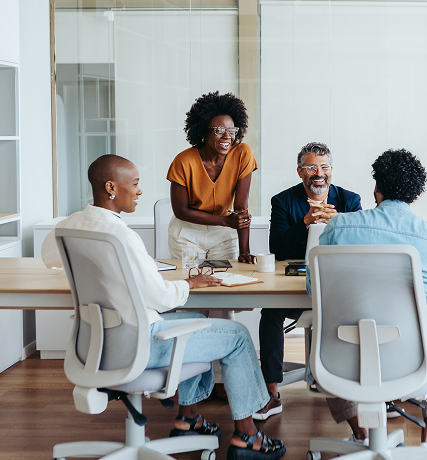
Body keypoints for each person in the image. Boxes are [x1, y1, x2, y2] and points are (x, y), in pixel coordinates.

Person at [41, 155, 285, 460]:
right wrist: (190, 285)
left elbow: (48, 255)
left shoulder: (73, 224)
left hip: (94, 344)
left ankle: (189, 418)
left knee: (196, 319)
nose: (140, 191)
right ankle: (248, 436)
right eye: (135, 184)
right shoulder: (122, 236)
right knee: (236, 336)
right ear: (111, 187)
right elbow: (160, 298)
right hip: (136, 345)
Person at [308, 149, 427, 450]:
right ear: (415, 195)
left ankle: (360, 435)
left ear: (377, 188)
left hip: (341, 360)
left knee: (320, 327)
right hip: (412, 362)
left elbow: (315, 290)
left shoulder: (338, 227)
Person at [254, 142, 362, 420]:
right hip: (296, 285)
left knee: (366, 311)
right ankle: (271, 391)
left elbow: (360, 246)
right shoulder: (283, 201)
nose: (319, 173)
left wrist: (340, 223)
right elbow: (277, 248)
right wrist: (304, 222)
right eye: (312, 167)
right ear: (300, 171)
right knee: (270, 312)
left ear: (331, 170)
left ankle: (361, 388)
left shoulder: (350, 200)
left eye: (324, 167)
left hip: (338, 288)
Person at [167, 91, 257, 265]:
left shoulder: (242, 153)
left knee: (225, 281)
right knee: (193, 281)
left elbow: (241, 208)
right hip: (187, 231)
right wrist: (225, 220)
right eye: (219, 130)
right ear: (203, 131)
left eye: (231, 130)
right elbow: (181, 211)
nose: (227, 137)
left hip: (223, 232)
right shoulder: (184, 161)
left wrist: (245, 250)